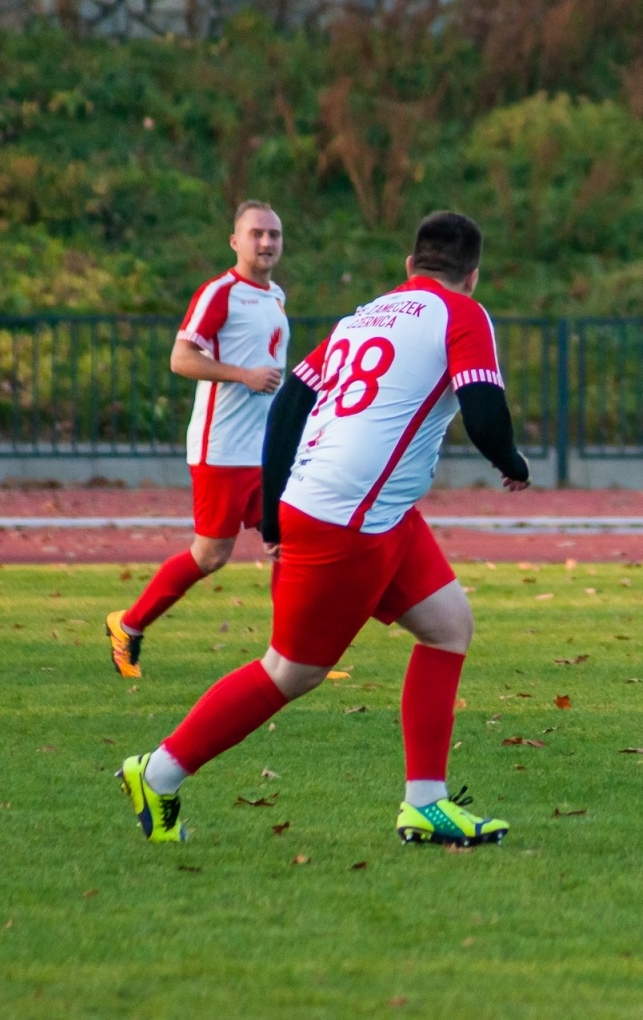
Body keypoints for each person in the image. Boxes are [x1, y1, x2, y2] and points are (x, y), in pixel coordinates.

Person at [117, 211, 532, 845]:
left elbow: (290, 402)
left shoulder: (362, 315)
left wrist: (278, 505)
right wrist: (512, 462)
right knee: (290, 671)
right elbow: (483, 410)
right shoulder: (463, 313)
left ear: (408, 267)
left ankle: (425, 802)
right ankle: (160, 771)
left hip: (372, 508)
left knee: (449, 628)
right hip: (350, 517)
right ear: (471, 275)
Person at [106, 201, 290, 679]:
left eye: (274, 234)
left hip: (263, 450)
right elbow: (181, 359)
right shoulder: (220, 292)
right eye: (256, 234)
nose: (266, 242)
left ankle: (292, 656)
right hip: (223, 450)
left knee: (289, 540)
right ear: (235, 241)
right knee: (211, 555)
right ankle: (128, 625)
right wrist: (242, 376)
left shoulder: (276, 296)